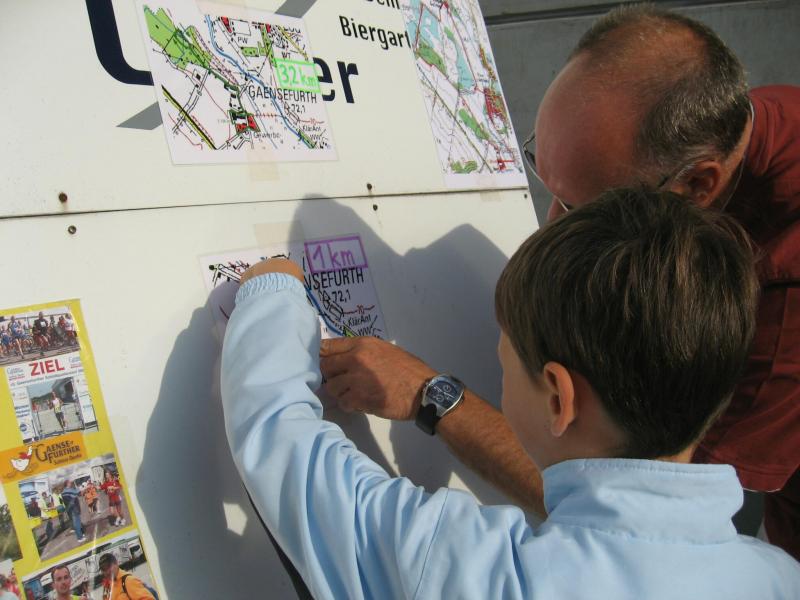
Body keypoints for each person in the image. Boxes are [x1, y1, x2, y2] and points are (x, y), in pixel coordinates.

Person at [319, 4, 800, 557]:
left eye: (580, 207)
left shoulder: (784, 311)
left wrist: (435, 398)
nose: (546, 227)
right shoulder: (731, 122)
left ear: (697, 185)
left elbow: (648, 520)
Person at [222, 189, 800, 598]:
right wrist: (427, 393)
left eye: (504, 361)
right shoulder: (778, 578)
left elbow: (280, 443)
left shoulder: (475, 572)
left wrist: (273, 288)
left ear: (558, 400)